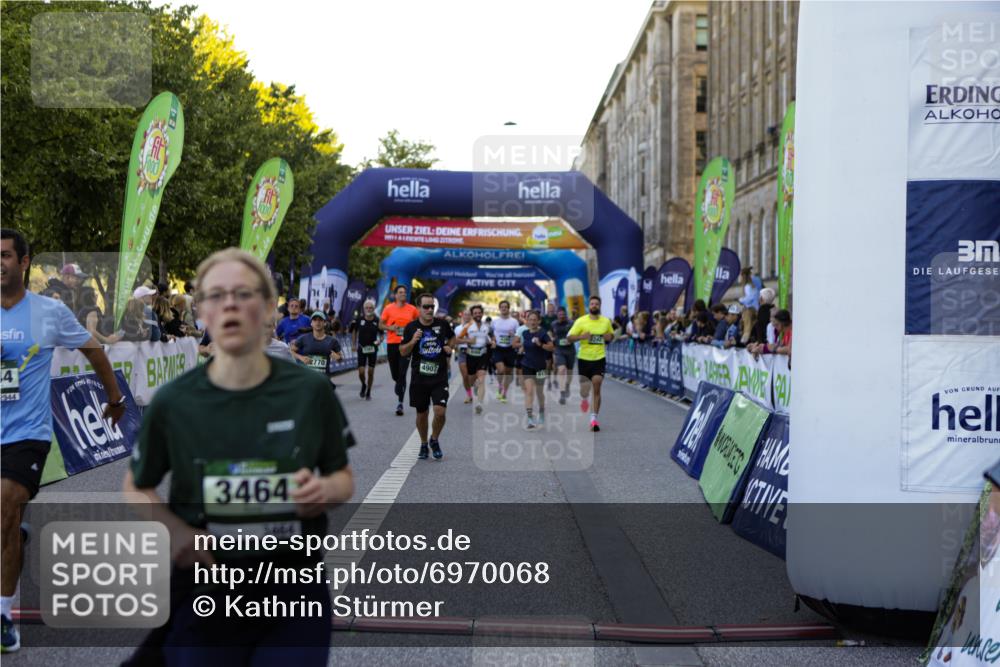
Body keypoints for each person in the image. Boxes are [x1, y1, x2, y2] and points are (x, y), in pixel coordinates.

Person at [123, 248, 354, 665]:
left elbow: (342, 478)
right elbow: (136, 486)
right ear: (202, 312)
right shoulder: (175, 400)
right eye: (215, 296)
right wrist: (176, 532)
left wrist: (322, 491)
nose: (229, 304)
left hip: (292, 587)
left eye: (243, 294)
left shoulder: (309, 391)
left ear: (268, 309)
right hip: (207, 586)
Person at [1, 229, 127, 653]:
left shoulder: (49, 312)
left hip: (27, 434)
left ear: (24, 262)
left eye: (4, 255)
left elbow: (94, 351)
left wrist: (114, 397)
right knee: (4, 524)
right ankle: (15, 535)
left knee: (3, 505)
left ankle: (3, 615)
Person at [399, 293, 456, 460]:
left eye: (432, 306)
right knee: (422, 414)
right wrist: (413, 341)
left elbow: (453, 338)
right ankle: (424, 443)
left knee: (440, 411)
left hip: (439, 377)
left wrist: (449, 347)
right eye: (426, 307)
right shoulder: (411, 327)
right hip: (420, 378)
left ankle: (435, 439)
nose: (430, 310)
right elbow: (403, 351)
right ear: (418, 309)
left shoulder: (443, 324)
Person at [567, 295, 614, 432]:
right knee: (585, 390)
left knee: (597, 384)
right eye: (592, 303)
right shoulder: (581, 321)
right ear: (589, 306)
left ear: (599, 306)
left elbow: (611, 336)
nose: (594, 306)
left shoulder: (606, 322)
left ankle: (593, 419)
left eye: (596, 304)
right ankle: (584, 398)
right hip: (584, 358)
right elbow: (569, 338)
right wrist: (582, 337)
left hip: (599, 358)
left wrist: (608, 337)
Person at [380, 285, 420, 416]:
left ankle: (400, 403)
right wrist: (390, 328)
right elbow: (380, 324)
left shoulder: (412, 309)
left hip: (406, 344)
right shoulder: (388, 308)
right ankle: (398, 383)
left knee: (403, 373)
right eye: (401, 292)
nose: (403, 294)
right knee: (395, 375)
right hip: (392, 344)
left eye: (405, 292)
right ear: (395, 295)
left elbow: (419, 322)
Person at [514, 310, 554, 429]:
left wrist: (540, 344)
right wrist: (520, 345)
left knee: (540, 393)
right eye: (530, 320)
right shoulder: (525, 333)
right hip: (527, 365)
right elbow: (514, 344)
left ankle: (541, 411)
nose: (532, 322)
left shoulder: (543, 334)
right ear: (527, 321)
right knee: (529, 391)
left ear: (539, 321)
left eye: (534, 320)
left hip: (540, 366)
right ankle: (530, 418)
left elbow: (551, 347)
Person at [456, 305, 491, 414]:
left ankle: (479, 404)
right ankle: (473, 388)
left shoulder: (486, 327)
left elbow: (490, 338)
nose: (477, 315)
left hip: (483, 356)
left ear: (482, 314)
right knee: (470, 380)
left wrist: (492, 342)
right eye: (475, 313)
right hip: (470, 356)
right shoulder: (468, 327)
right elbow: (457, 340)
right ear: (472, 315)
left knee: (481, 380)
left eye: (479, 313)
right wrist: (468, 341)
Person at [291, 311, 343, 381]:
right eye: (315, 320)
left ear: (324, 323)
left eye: (320, 320)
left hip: (324, 380)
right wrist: (301, 358)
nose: (317, 322)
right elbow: (291, 351)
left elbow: (340, 359)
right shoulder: (303, 338)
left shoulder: (332, 341)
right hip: (307, 379)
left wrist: (338, 358)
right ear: (311, 323)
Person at [489, 300, 518, 403]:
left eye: (506, 307)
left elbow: (518, 336)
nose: (504, 308)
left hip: (510, 349)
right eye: (502, 307)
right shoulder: (495, 321)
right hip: (498, 348)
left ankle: (504, 393)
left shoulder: (514, 322)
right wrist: (493, 340)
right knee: (501, 370)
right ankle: (500, 386)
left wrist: (513, 335)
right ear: (499, 308)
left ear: (508, 308)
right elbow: (491, 333)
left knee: (508, 373)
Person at [549, 307, 576, 405]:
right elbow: (551, 333)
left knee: (569, 371)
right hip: (559, 350)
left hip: (570, 350)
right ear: (557, 315)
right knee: (561, 369)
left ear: (566, 314)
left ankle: (567, 385)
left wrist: (572, 339)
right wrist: (551, 338)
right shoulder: (554, 324)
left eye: (563, 314)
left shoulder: (571, 323)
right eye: (560, 314)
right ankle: (562, 393)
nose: (562, 316)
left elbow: (577, 334)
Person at [454, 310, 474, 404]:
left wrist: (463, 340)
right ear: (462, 315)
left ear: (471, 316)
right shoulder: (458, 328)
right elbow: (455, 341)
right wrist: (468, 341)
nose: (467, 316)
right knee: (465, 376)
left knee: (472, 376)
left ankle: (474, 389)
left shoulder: (474, 328)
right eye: (465, 314)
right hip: (462, 353)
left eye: (469, 314)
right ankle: (469, 395)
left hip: (473, 353)